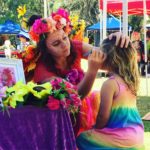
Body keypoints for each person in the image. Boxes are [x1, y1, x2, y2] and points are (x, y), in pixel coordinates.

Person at [27, 8, 130, 136]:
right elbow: (75, 96)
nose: (65, 45)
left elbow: (106, 57)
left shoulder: (74, 45)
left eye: (65, 38)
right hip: (59, 121)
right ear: (46, 50)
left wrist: (115, 40)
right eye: (56, 43)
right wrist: (92, 71)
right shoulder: (42, 70)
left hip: (84, 112)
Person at [76, 36, 145, 149]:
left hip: (121, 137)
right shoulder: (131, 81)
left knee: (82, 138)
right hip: (137, 135)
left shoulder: (110, 84)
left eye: (101, 54)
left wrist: (95, 128)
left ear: (108, 59)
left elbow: (103, 117)